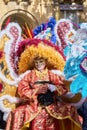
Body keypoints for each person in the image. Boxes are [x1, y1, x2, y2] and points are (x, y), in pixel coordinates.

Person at [5, 39, 81, 130]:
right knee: (17, 113)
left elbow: (63, 88)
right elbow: (22, 90)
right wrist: (36, 91)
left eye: (40, 62)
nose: (38, 64)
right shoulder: (29, 75)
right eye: (36, 62)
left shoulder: (52, 75)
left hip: (52, 106)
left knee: (70, 110)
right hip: (35, 106)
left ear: (46, 62)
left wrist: (55, 88)